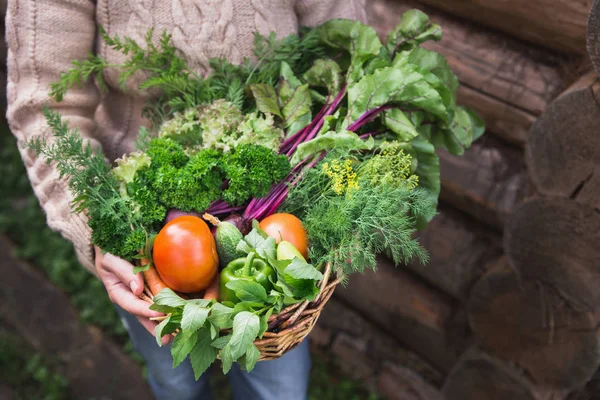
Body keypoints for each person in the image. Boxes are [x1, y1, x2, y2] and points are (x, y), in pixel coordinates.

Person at [6, 1, 367, 399]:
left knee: (279, 389)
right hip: (143, 237)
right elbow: (43, 103)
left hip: (275, 227)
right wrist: (98, 225)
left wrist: (341, 206)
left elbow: (344, 53)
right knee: (175, 380)